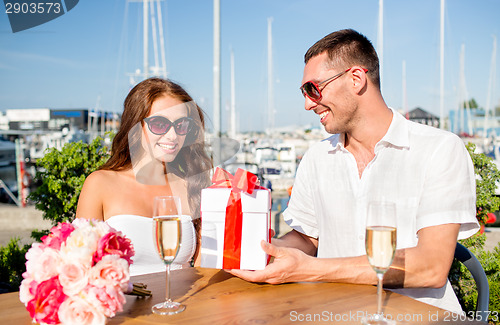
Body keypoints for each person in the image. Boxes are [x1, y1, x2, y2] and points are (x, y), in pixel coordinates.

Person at [229, 29, 479, 313]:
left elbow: (431, 267)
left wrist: (313, 269)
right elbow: (307, 238)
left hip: (418, 316)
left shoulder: (439, 149)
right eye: (304, 92)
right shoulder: (316, 158)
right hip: (332, 314)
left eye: (312, 88)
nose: (308, 103)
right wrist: (257, 245)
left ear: (356, 79)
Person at [76, 77, 212, 276]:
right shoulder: (100, 184)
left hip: (182, 305)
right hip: (125, 306)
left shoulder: (191, 186)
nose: (173, 135)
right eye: (159, 124)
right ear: (135, 126)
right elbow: (81, 266)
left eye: (181, 125)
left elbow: (202, 271)